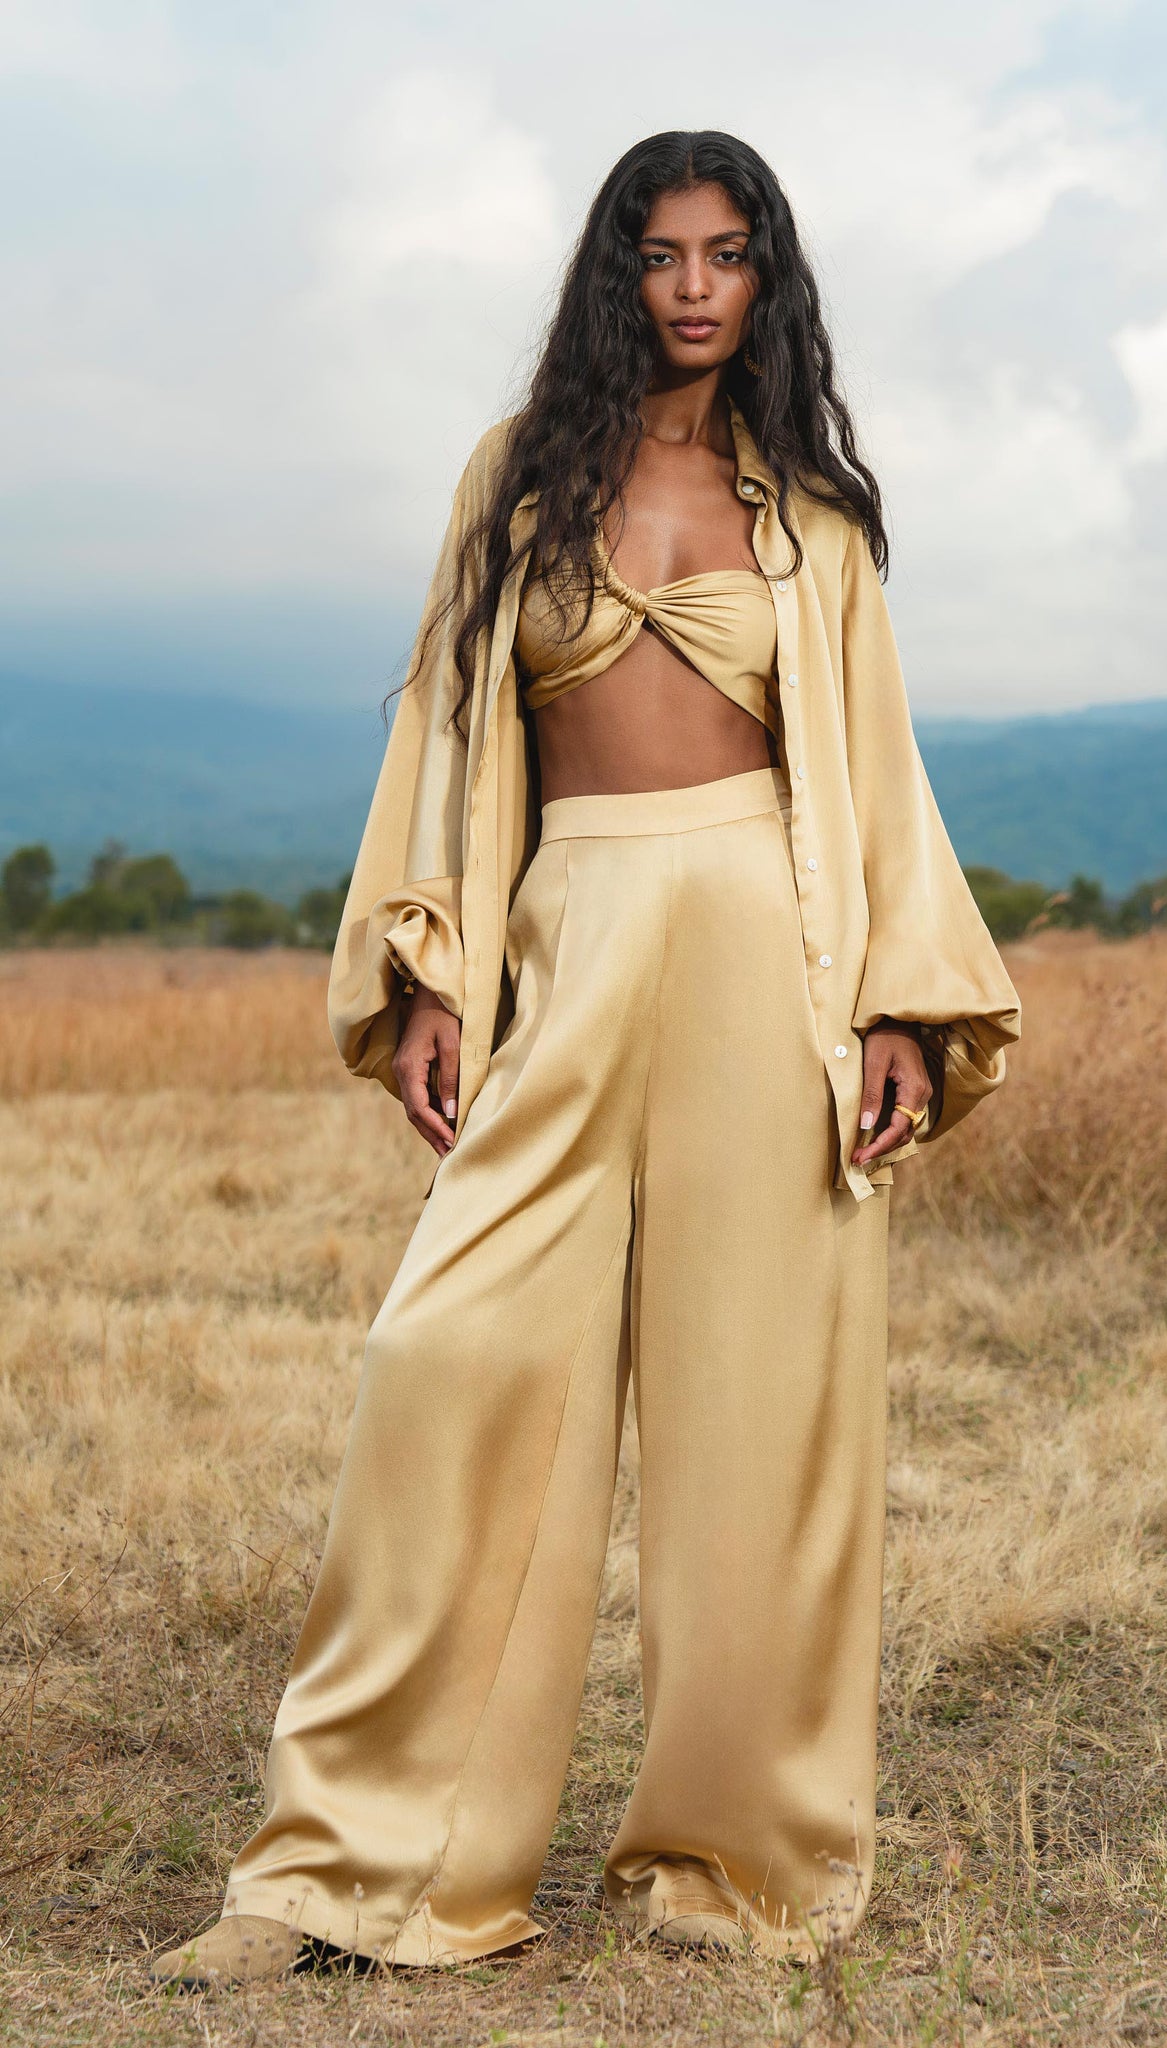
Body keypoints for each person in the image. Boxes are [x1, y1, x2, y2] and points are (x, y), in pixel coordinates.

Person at [150, 129, 1020, 1987]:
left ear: (766, 279)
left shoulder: (813, 518)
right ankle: (359, 1872)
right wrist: (434, 968)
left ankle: (735, 1863)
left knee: (760, 1421)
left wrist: (889, 1000)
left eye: (727, 254)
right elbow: (448, 739)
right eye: (659, 251)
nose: (694, 285)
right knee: (445, 1366)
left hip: (765, 954)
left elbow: (873, 778)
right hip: (565, 938)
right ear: (612, 273)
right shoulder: (513, 479)